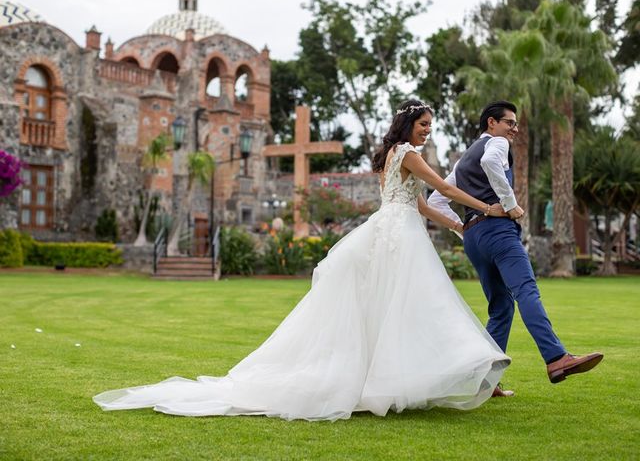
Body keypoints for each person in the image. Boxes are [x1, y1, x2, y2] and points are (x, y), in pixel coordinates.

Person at [94, 100, 510, 421]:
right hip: (396, 236)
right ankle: (419, 373)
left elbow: (421, 203)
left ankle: (384, 381)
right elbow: (443, 188)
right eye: (424, 125)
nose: (427, 131)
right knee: (411, 305)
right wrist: (484, 210)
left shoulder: (393, 157)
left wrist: (457, 227)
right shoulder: (408, 153)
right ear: (407, 126)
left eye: (429, 126)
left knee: (390, 309)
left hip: (393, 228)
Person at [428, 100, 603, 395]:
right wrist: (511, 205)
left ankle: (486, 381)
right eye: (510, 123)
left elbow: (436, 201)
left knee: (501, 308)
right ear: (491, 124)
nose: (515, 129)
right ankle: (556, 358)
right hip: (498, 231)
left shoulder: (463, 159)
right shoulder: (496, 144)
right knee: (526, 290)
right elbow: (490, 164)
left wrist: (463, 229)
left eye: (516, 124)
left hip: (474, 238)